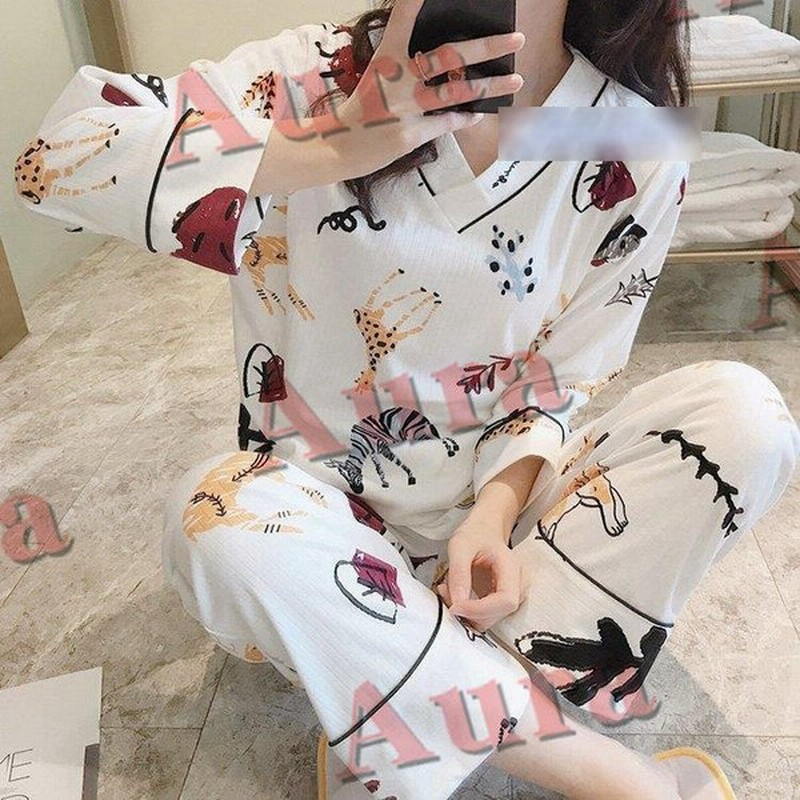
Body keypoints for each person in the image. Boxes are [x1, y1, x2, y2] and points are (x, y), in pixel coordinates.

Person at [14, 1, 799, 798]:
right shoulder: (313, 79)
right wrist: (335, 144)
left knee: (746, 417)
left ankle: (399, 696)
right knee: (216, 514)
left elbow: (559, 380)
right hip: (326, 530)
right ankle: (615, 778)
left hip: (508, 526)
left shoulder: (624, 137)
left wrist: (491, 517)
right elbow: (55, 159)